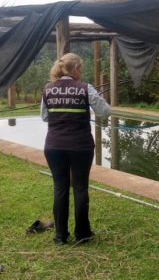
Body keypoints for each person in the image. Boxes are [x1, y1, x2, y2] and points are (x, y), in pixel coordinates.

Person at [40, 52, 111, 245]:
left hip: (54, 146)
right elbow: (105, 111)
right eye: (81, 68)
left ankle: (60, 236)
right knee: (80, 187)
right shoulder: (85, 88)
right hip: (80, 146)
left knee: (60, 187)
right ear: (77, 69)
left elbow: (45, 117)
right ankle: (83, 234)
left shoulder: (48, 89)